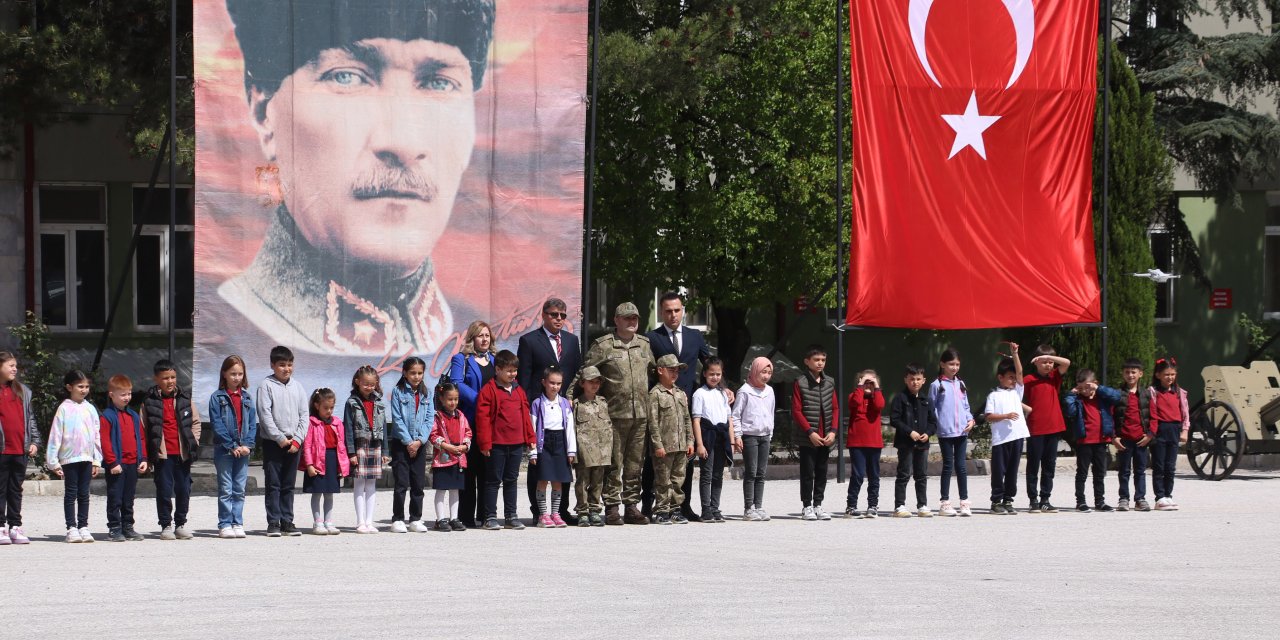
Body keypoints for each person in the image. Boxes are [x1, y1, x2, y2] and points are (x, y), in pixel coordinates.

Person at [215, 0, 496, 356]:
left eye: (440, 83)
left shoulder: (473, 330)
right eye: (346, 76)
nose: (403, 143)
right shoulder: (227, 331)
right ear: (264, 112)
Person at [575, 302, 654, 526]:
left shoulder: (644, 344)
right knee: (613, 463)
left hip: (640, 415)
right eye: (627, 318)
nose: (632, 322)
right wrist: (570, 399)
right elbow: (584, 373)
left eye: (635, 318)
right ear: (616, 320)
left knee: (635, 464)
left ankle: (631, 505)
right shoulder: (603, 346)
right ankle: (611, 506)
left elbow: (654, 372)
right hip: (613, 415)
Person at [645, 291, 711, 521]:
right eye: (668, 311)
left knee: (685, 460)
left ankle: (683, 506)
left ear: (683, 311)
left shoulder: (695, 336)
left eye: (677, 310)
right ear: (661, 312)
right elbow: (647, 371)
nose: (673, 315)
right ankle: (648, 506)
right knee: (654, 459)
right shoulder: (652, 338)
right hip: (661, 405)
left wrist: (723, 387)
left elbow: (709, 364)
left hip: (686, 404)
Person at [517, 298, 581, 525]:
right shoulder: (529, 341)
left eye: (563, 315)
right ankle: (539, 511)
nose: (559, 319)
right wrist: (527, 410)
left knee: (562, 465)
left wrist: (572, 398)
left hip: (563, 411)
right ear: (544, 315)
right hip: (539, 411)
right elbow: (524, 379)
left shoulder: (572, 341)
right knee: (539, 465)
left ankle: (560, 511)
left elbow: (576, 374)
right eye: (554, 315)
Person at [142, 359, 203, 541]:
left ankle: (180, 524)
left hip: (183, 454)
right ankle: (166, 525)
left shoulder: (185, 399)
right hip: (163, 455)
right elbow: (143, 429)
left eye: (173, 377)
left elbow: (196, 422)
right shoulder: (149, 402)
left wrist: (193, 442)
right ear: (156, 379)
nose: (170, 381)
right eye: (165, 378)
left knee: (184, 489)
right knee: (164, 490)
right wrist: (147, 456)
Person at [475, 350, 535, 530]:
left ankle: (511, 516)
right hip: (496, 444)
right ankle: (490, 517)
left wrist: (530, 437)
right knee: (493, 481)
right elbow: (483, 419)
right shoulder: (489, 390)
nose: (513, 374)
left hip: (516, 444)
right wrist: (485, 443)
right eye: (509, 371)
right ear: (498, 370)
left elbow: (526, 416)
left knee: (511, 480)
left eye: (515, 370)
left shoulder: (519, 390)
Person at [257, 345, 309, 537]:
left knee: (288, 484)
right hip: (273, 443)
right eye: (281, 365)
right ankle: (273, 522)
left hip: (294, 443)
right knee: (273, 484)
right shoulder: (266, 385)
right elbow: (264, 415)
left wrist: (297, 440)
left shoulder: (298, 386)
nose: (286, 369)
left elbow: (304, 415)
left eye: (289, 364)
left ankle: (287, 521)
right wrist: (279, 438)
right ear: (272, 365)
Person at [448, 320, 495, 527]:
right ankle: (466, 516)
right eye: (480, 335)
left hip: (491, 422)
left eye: (487, 335)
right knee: (469, 470)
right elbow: (456, 383)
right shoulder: (461, 359)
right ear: (472, 338)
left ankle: (486, 515)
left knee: (488, 470)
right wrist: (481, 400)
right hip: (470, 420)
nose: (484, 339)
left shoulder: (496, 359)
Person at [48, 370, 102, 543]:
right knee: (71, 493)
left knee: (84, 493)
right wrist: (53, 461)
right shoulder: (63, 408)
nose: (84, 390)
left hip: (87, 457)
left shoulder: (90, 408)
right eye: (80, 386)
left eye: (86, 386)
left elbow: (97, 435)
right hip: (69, 459)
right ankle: (71, 528)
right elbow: (55, 435)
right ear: (69, 387)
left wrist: (96, 459)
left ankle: (83, 526)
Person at [208, 356, 256, 539]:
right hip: (224, 450)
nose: (236, 377)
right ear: (224, 374)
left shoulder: (247, 397)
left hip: (243, 450)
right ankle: (225, 524)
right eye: (233, 374)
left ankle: (237, 522)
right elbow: (217, 424)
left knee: (239, 489)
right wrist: (232, 445)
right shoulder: (217, 397)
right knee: (226, 488)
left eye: (240, 374)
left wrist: (248, 445)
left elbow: (252, 424)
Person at [1064, 370, 1123, 513]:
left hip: (1101, 440)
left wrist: (1099, 388)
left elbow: (1116, 396)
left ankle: (1100, 501)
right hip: (1084, 441)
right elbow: (1070, 412)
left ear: (1095, 384)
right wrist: (1071, 395)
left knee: (1099, 473)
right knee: (1082, 472)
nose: (1084, 391)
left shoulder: (1102, 397)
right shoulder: (1078, 399)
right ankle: (1081, 502)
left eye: (1087, 387)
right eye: (1080, 388)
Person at [99, 375, 149, 542]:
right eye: (123, 394)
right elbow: (105, 441)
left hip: (132, 463)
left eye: (129, 393)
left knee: (129, 498)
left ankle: (128, 526)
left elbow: (141, 438)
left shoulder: (133, 416)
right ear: (111, 395)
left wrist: (143, 458)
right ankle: (114, 527)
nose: (127, 397)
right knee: (115, 497)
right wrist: (112, 462)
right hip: (117, 465)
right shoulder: (107, 416)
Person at [792, 345, 837, 521]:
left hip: (825, 436)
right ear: (807, 361)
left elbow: (835, 408)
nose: (820, 363)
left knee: (822, 472)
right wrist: (810, 432)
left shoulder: (829, 382)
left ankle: (818, 504)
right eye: (816, 360)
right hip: (808, 437)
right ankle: (807, 506)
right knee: (807, 472)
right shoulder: (800, 382)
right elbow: (796, 411)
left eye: (823, 360)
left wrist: (833, 431)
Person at [1023, 345, 1071, 513]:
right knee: (1033, 465)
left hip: (1054, 427)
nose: (1048, 365)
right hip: (1035, 428)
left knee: (1049, 466)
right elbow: (1014, 395)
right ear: (1036, 362)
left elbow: (1066, 363)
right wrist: (1026, 409)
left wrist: (1048, 357)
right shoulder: (1028, 379)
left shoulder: (1054, 376)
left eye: (1050, 362)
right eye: (1044, 362)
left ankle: (1045, 499)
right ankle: (1033, 500)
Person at [388, 357, 434, 534]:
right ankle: (398, 519)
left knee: (418, 483)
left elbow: (429, 419)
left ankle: (415, 518)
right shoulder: (398, 391)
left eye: (420, 373)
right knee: (401, 483)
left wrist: (420, 441)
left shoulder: (427, 393)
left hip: (419, 444)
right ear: (405, 373)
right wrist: (409, 442)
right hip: (402, 444)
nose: (416, 376)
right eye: (413, 373)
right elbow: (397, 418)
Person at [0, 351, 40, 545]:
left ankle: (15, 526)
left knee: (16, 490)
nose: (15, 369)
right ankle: (0, 527)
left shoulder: (22, 391)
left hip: (19, 449)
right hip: (2, 450)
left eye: (15, 365)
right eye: (10, 365)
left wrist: (34, 442)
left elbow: (30, 419)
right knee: (0, 490)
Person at [648, 355, 694, 525]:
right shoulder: (655, 394)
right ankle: (662, 510)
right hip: (664, 447)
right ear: (660, 370)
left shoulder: (680, 393)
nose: (675, 373)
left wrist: (690, 441)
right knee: (663, 480)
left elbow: (687, 419)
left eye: (677, 371)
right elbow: (652, 423)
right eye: (671, 370)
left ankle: (675, 509)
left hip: (681, 445)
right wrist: (657, 445)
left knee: (678, 479)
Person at [345, 366, 391, 534]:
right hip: (360, 445)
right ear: (357, 382)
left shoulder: (379, 402)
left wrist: (385, 450)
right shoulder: (351, 402)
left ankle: (369, 521)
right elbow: (348, 428)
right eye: (365, 384)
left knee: (371, 484)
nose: (369, 387)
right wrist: (351, 452)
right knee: (359, 483)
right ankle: (360, 521)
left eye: (372, 384)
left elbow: (384, 427)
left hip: (375, 444)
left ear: (376, 383)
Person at [983, 349, 1029, 515]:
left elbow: (1020, 372)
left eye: (1014, 377)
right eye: (1010, 377)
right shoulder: (993, 396)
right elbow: (989, 416)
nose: (1013, 380)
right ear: (1000, 377)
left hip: (1017, 437)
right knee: (999, 471)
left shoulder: (1017, 392)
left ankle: (1008, 500)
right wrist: (1005, 416)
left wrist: (1015, 354)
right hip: (1001, 439)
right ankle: (996, 501)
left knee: (1012, 470)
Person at [530, 366, 576, 528]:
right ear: (544, 382)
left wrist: (571, 450)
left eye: (558, 383)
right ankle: (543, 514)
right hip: (544, 443)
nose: (555, 387)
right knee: (543, 479)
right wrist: (533, 451)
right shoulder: (537, 403)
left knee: (558, 480)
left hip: (560, 443)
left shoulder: (564, 403)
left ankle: (555, 513)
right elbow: (532, 428)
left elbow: (569, 428)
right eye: (552, 383)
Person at [930, 347, 974, 518]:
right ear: (942, 364)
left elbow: (966, 405)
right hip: (946, 432)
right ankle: (945, 502)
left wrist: (970, 419)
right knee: (948, 466)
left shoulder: (961, 383)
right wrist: (938, 424)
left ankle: (964, 502)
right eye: (951, 364)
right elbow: (932, 408)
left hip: (962, 431)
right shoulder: (936, 385)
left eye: (957, 364)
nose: (954, 367)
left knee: (961, 466)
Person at [891, 363, 937, 518]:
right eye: (912, 379)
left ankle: (922, 505)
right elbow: (894, 419)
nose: (915, 382)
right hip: (906, 443)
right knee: (904, 474)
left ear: (924, 380)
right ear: (906, 379)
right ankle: (900, 505)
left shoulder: (927, 400)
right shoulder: (900, 398)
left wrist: (928, 433)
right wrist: (909, 431)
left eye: (918, 379)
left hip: (922, 444)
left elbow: (933, 422)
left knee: (921, 475)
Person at [302, 388, 349, 535]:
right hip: (317, 462)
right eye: (326, 408)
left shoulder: (337, 423)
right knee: (316, 493)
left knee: (329, 493)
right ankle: (318, 522)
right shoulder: (311, 422)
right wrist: (309, 465)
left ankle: (328, 522)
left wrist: (342, 466)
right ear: (317, 406)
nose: (329, 411)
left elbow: (342, 446)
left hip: (332, 461)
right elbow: (307, 445)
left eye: (332, 407)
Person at [733, 357, 775, 522]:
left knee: (761, 473)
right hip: (750, 436)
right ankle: (748, 508)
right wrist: (737, 435)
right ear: (755, 371)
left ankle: (759, 506)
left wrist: (770, 432)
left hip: (765, 436)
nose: (766, 376)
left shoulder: (769, 391)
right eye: (763, 372)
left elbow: (771, 413)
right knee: (751, 472)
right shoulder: (745, 391)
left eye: (769, 373)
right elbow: (736, 415)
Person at [691, 357, 732, 523]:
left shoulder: (723, 394)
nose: (715, 377)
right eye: (711, 374)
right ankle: (706, 509)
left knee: (718, 474)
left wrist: (732, 441)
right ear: (704, 374)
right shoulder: (699, 394)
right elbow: (696, 420)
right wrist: (700, 444)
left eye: (718, 374)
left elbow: (729, 419)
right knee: (706, 474)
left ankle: (715, 508)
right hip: (707, 436)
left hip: (721, 436)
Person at [572, 366, 612, 527]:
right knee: (582, 482)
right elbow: (572, 429)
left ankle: (595, 510)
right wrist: (574, 452)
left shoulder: (603, 403)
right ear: (582, 383)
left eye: (597, 382)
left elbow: (608, 427)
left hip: (601, 450)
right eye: (591, 382)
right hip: (584, 450)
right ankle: (582, 511)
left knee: (597, 482)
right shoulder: (576, 404)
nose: (595, 385)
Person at [1148, 357, 1189, 511]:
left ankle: (1168, 495)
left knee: (1170, 466)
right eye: (1166, 374)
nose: (1170, 377)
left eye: (1172, 374)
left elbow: (1185, 413)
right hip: (1159, 430)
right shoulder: (1153, 392)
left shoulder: (1179, 392)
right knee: (1159, 465)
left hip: (1174, 430)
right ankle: (1159, 497)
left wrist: (1185, 430)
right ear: (1158, 375)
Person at [430, 381, 471, 532]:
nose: (453, 402)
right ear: (441, 399)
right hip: (443, 458)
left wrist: (465, 445)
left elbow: (468, 432)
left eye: (456, 399)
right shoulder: (437, 416)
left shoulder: (461, 416)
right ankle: (441, 519)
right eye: (449, 399)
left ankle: (454, 518)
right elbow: (433, 435)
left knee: (455, 489)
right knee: (441, 489)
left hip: (458, 458)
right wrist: (446, 446)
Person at [1113, 358, 1153, 512]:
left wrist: (1150, 435)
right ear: (1123, 374)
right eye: (1127, 372)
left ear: (1140, 374)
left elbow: (1154, 416)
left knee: (1140, 471)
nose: (1130, 375)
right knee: (1124, 471)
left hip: (1141, 440)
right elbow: (1110, 416)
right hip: (1124, 440)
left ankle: (1140, 499)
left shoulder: (1146, 394)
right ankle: (1123, 498)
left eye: (1133, 372)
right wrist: (1113, 437)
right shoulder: (1117, 394)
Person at [845, 369, 885, 519]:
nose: (868, 385)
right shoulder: (854, 396)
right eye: (865, 382)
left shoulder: (877, 397)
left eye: (871, 382)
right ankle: (851, 506)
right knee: (858, 475)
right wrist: (861, 386)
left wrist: (876, 387)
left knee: (874, 476)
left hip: (874, 443)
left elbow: (880, 405)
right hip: (857, 443)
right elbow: (855, 402)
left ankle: (872, 506)